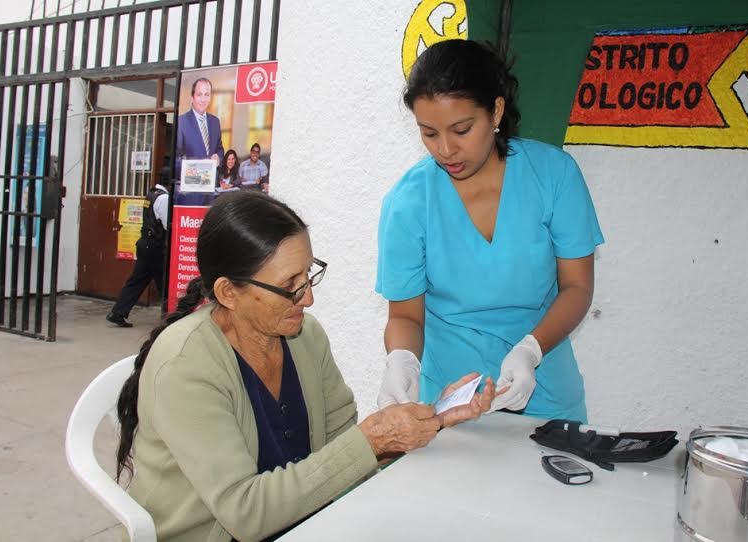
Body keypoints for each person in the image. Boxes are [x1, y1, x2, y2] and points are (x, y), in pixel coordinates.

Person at [115, 191, 495, 542]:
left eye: (309, 275)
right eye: (290, 285)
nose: (308, 298)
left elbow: (345, 451)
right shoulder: (186, 366)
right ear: (228, 292)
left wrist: (429, 420)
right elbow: (245, 514)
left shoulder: (304, 337)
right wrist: (373, 439)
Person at [375, 39, 604, 423]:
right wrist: (401, 363)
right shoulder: (408, 202)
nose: (446, 149)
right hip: (452, 399)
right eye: (429, 133)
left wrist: (531, 350)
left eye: (461, 130)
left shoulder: (554, 176)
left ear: (495, 111)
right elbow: (406, 317)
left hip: (543, 388)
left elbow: (577, 287)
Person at [106, 169, 170, 327]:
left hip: (145, 244)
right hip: (155, 246)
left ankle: (117, 313)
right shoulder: (164, 198)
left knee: (136, 281)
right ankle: (170, 319)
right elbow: (166, 224)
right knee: (165, 284)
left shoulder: (152, 193)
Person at [175, 77, 225, 177]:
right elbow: (176, 157)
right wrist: (194, 168)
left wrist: (218, 157)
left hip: (211, 184)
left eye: (206, 95)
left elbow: (219, 149)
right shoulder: (181, 121)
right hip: (191, 183)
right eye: (199, 95)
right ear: (192, 98)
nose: (203, 99)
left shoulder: (215, 122)